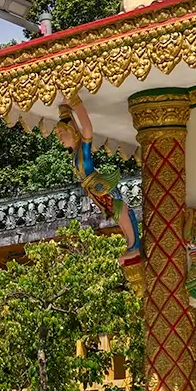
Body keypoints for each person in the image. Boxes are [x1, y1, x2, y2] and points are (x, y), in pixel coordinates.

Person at [55, 97, 142, 265]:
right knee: (117, 216)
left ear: (72, 131)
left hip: (101, 186)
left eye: (61, 133)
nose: (59, 138)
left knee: (121, 211)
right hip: (94, 191)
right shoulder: (74, 154)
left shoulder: (83, 149)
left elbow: (87, 128)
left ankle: (134, 245)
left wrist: (76, 103)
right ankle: (131, 245)